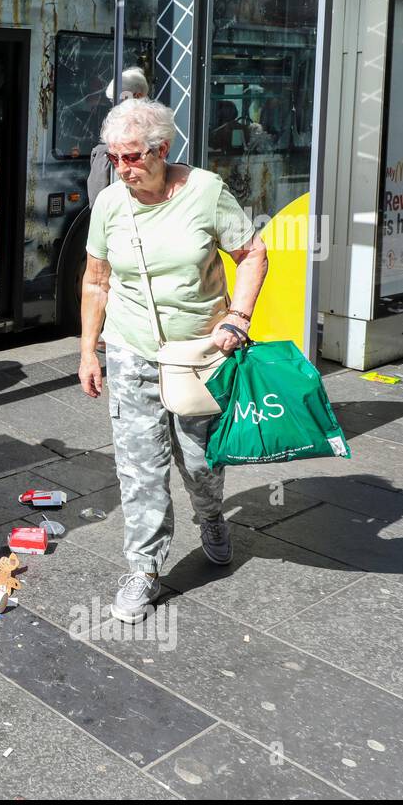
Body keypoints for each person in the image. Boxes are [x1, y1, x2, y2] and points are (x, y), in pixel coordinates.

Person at [79, 97, 268, 624]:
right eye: (115, 158)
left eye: (133, 157)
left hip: (198, 356)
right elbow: (96, 280)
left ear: (162, 150)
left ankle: (210, 517)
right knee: (140, 468)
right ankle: (144, 569)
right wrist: (87, 352)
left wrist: (239, 317)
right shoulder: (111, 204)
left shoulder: (206, 193)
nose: (123, 168)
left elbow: (252, 253)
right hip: (131, 349)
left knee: (200, 462)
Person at [87, 68, 148, 206]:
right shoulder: (116, 123)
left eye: (119, 99)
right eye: (111, 101)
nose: (115, 106)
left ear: (137, 96)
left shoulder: (151, 126)